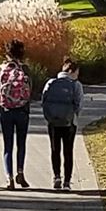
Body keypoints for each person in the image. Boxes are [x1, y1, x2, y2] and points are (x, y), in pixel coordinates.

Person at [0, 39, 32, 190]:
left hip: (6, 111)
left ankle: (9, 178)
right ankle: (20, 172)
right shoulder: (25, 69)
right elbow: (30, 91)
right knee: (21, 144)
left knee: (7, 146)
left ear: (6, 53)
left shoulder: (0, 69)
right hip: (22, 111)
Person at [42, 57, 84, 191]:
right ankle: (67, 182)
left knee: (55, 150)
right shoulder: (76, 85)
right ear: (71, 71)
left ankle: (56, 177)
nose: (77, 76)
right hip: (69, 122)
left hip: (53, 121)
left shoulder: (51, 82)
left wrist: (50, 116)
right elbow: (79, 104)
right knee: (68, 151)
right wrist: (73, 116)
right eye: (77, 72)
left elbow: (44, 101)